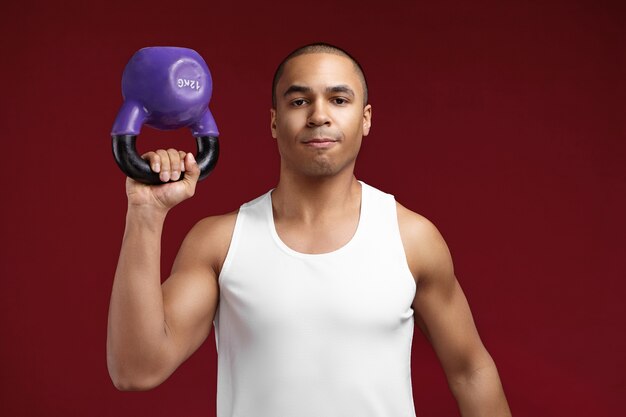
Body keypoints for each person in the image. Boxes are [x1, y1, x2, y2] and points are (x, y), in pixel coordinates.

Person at [107, 42, 512, 417]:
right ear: (274, 121)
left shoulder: (411, 238)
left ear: (366, 118)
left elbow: (470, 371)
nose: (319, 115)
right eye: (299, 101)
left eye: (339, 99)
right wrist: (146, 213)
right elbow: (136, 370)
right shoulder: (220, 243)